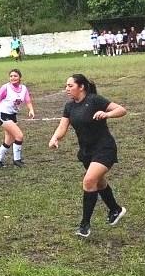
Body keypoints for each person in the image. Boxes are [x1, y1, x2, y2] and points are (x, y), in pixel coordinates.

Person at [48, 74, 127, 238]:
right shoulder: (69, 107)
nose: (67, 89)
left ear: (81, 87)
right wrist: (55, 138)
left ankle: (84, 226)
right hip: (86, 152)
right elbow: (62, 127)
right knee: (98, 182)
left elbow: (121, 110)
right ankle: (116, 209)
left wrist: (107, 114)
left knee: (89, 181)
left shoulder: (95, 100)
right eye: (66, 86)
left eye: (70, 86)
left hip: (105, 148)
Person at [0, 69, 35, 167]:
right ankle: (17, 160)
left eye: (15, 76)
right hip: (3, 115)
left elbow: (28, 101)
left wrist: (31, 110)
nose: (13, 78)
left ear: (20, 77)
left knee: (9, 139)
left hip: (13, 115)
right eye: (11, 76)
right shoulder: (5, 88)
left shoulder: (24, 88)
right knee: (19, 136)